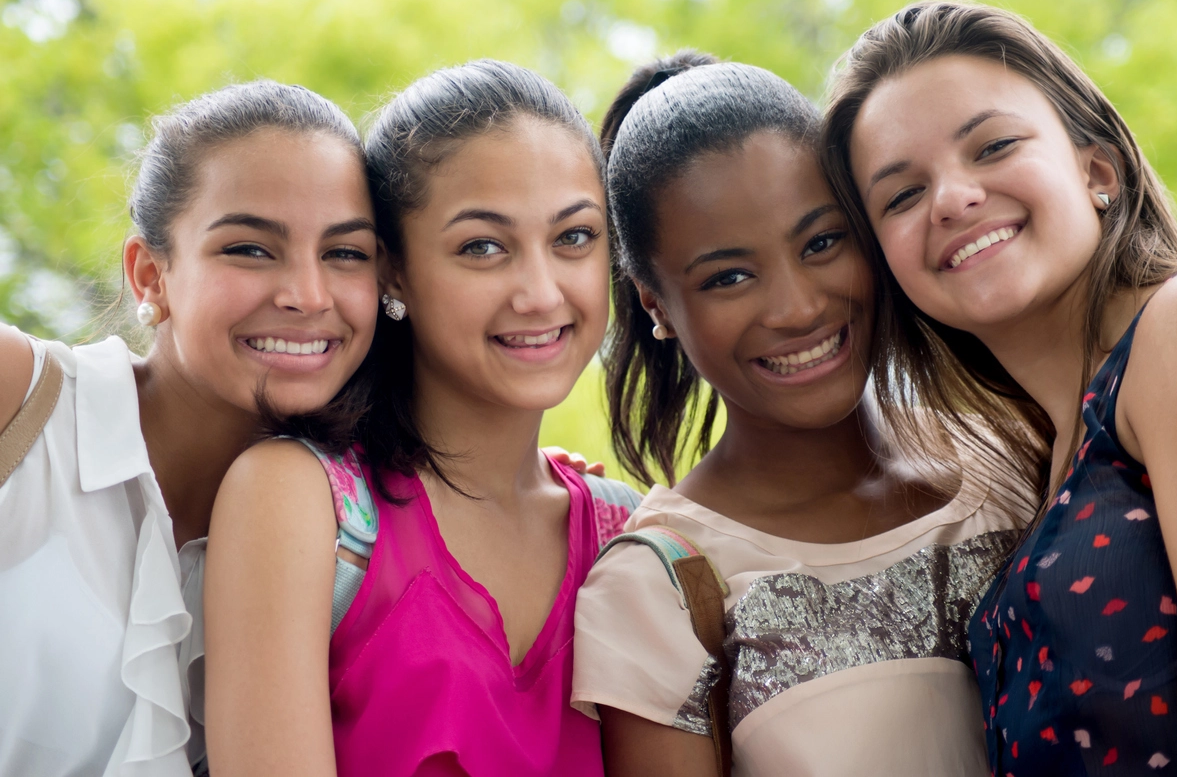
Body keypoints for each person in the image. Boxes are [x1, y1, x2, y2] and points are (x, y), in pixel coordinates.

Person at [824, 0, 1177, 775]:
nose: (952, 198)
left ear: (1096, 170)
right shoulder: (1047, 447)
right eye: (900, 195)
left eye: (991, 146)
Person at [571, 51, 1033, 777]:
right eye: (729, 277)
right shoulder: (656, 589)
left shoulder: (1018, 444)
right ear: (655, 303)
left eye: (821, 242)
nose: (798, 307)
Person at [204, 59, 630, 777]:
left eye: (574, 237)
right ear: (392, 270)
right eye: (482, 247)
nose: (539, 292)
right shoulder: (300, 501)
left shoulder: (631, 535)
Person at [0, 80, 379, 776]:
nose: (307, 294)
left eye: (346, 253)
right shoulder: (22, 403)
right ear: (150, 276)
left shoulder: (360, 520)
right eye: (250, 249)